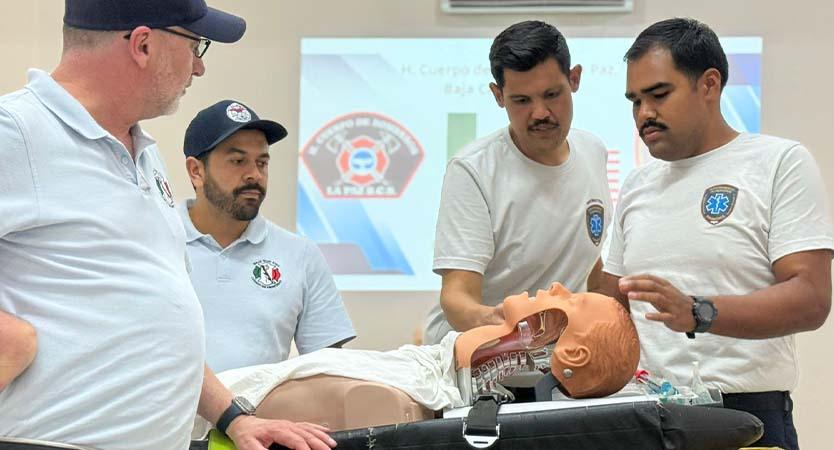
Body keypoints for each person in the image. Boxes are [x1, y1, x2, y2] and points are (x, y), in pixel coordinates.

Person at [0, 2, 334, 450]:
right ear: (142, 44)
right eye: (195, 46)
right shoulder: (17, 132)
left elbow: (151, 320)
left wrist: (233, 417)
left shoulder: (142, 152)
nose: (198, 67)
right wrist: (12, 341)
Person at [598, 18, 834, 450]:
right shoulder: (636, 185)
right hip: (645, 418)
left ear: (709, 84)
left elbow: (811, 298)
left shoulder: (779, 162)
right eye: (635, 101)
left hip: (749, 419)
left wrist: (700, 312)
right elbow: (610, 305)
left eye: (658, 94)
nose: (643, 114)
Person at [202, 283, 639, 432]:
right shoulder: (410, 378)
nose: (558, 289)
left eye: (574, 301)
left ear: (573, 353)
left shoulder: (393, 399)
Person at [424, 20, 612, 345]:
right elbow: (457, 299)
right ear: (498, 96)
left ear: (575, 79)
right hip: (481, 360)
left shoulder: (593, 151)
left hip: (558, 358)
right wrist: (507, 324)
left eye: (551, 95)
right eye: (521, 100)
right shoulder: (473, 170)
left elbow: (588, 267)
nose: (540, 113)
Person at [181, 100, 356, 373]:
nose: (254, 175)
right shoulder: (156, 241)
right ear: (196, 171)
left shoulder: (301, 255)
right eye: (238, 161)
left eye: (262, 163)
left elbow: (328, 372)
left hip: (261, 415)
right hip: (167, 414)